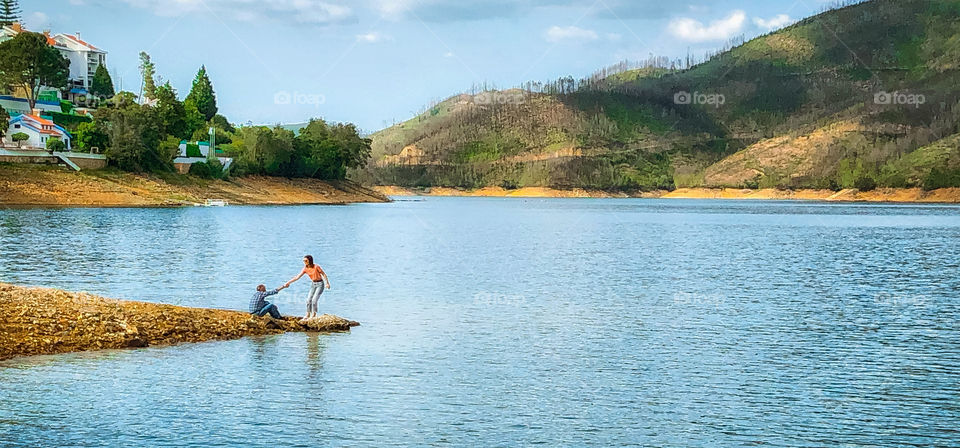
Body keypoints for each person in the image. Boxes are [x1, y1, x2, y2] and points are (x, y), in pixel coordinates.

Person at [284, 255, 331, 321]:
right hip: (313, 284)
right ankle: (308, 314)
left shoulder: (316, 267)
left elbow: (323, 274)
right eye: (304, 261)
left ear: (310, 260)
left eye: (306, 261)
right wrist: (288, 282)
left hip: (320, 284)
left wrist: (327, 283)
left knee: (314, 300)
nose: (304, 262)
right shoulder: (305, 268)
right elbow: (297, 277)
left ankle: (314, 314)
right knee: (308, 300)